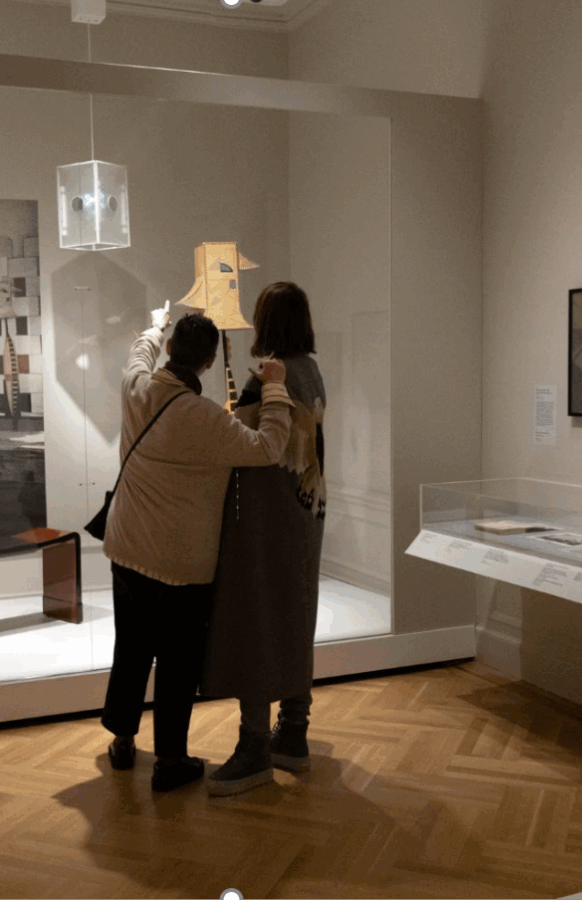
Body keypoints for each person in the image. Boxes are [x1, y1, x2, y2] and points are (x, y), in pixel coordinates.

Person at [101, 301, 293, 792]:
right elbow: (269, 448)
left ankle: (123, 741)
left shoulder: (136, 389)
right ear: (209, 362)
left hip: (126, 547)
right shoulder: (207, 419)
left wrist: (154, 322)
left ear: (170, 349)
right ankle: (171, 760)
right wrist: (274, 386)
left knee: (132, 647)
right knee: (178, 661)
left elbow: (137, 355)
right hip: (180, 564)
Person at [201, 281, 326, 797]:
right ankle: (293, 731)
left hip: (264, 517)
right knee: (297, 612)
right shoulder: (311, 372)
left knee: (255, 618)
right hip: (307, 510)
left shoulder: (270, 378)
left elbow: (254, 447)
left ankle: (255, 743)